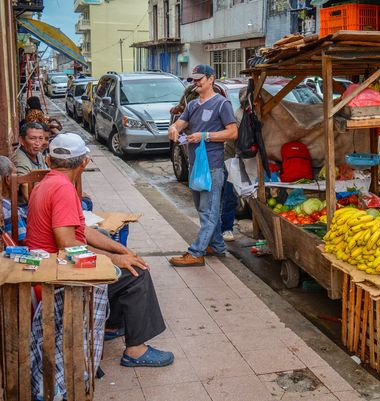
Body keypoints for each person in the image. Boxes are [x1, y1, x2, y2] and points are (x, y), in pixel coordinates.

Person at [25, 133, 174, 368]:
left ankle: (112, 325)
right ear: (84, 162)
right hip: (56, 271)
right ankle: (135, 350)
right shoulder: (62, 189)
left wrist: (120, 249)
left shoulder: (50, 182)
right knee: (137, 274)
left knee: (120, 256)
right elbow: (67, 243)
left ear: (49, 161)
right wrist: (116, 259)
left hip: (53, 262)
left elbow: (81, 229)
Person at [167, 64, 238, 266]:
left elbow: (232, 132)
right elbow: (180, 124)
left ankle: (196, 252)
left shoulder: (222, 104)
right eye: (193, 79)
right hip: (195, 165)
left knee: (209, 210)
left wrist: (205, 136)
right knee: (201, 208)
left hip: (213, 166)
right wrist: (173, 128)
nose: (195, 82)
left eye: (199, 79)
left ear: (211, 79)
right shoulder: (192, 105)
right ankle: (217, 246)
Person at [12, 122, 49, 203]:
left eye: (40, 138)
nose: (37, 143)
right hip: (28, 206)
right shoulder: (20, 161)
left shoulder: (38, 154)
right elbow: (28, 195)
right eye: (32, 138)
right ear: (22, 140)